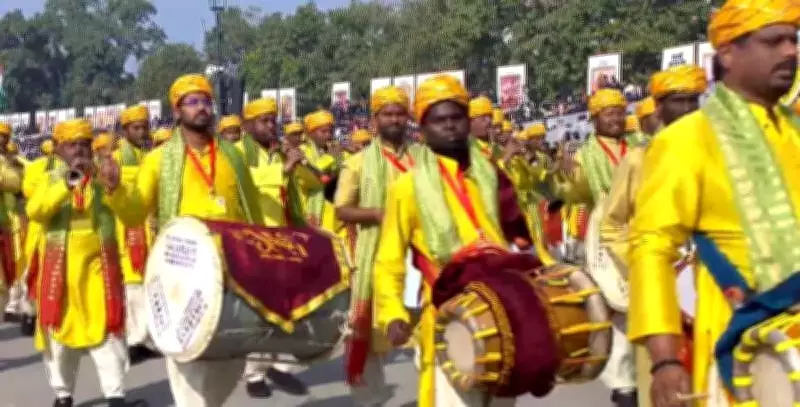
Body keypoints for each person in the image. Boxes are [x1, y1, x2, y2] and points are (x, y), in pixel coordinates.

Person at [627, 2, 800, 406]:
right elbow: (651, 248)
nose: (790, 51)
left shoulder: (793, 132)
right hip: (740, 343)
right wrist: (665, 360)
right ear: (728, 53)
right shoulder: (686, 140)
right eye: (773, 41)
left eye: (794, 40)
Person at [373, 75, 532, 407]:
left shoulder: (492, 175)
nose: (450, 127)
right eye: (439, 120)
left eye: (456, 118)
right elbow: (388, 259)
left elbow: (521, 236)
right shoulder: (407, 187)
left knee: (503, 400)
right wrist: (392, 313)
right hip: (448, 311)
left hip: (501, 305)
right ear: (423, 129)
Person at [117, 74, 265, 407]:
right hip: (182, 274)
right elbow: (133, 213)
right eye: (192, 102)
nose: (201, 108)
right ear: (177, 110)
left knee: (229, 361)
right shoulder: (158, 160)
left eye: (205, 101)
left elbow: (253, 212)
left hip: (231, 272)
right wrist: (114, 191)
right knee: (187, 359)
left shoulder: (233, 156)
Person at [599, 64, 707, 407]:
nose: (688, 110)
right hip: (660, 286)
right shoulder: (637, 160)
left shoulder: (718, 150)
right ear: (659, 108)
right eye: (678, 101)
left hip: (713, 290)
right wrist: (644, 264)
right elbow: (613, 224)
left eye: (694, 100)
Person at [27, 119, 141, 407]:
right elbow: (36, 211)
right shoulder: (49, 178)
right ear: (58, 150)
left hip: (99, 269)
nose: (79, 151)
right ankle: (63, 394)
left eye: (84, 144)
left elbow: (131, 217)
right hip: (60, 271)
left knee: (108, 334)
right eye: (71, 145)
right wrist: (66, 184)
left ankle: (115, 395)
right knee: (59, 338)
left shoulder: (106, 177)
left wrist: (115, 189)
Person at [336, 85, 422, 406]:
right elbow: (341, 209)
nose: (395, 119)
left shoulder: (423, 158)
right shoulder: (357, 163)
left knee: (428, 328)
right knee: (369, 337)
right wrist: (376, 213)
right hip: (374, 257)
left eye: (400, 113)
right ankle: (369, 401)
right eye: (387, 114)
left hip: (418, 257)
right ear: (375, 120)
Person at [236, 97, 316, 398]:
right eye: (263, 121)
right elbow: (244, 182)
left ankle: (280, 368)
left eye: (273, 121)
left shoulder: (279, 152)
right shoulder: (239, 153)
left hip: (287, 239)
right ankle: (254, 375)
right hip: (255, 242)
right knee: (261, 312)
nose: (271, 126)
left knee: (294, 307)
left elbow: (314, 183)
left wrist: (298, 161)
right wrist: (282, 171)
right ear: (248, 125)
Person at [113, 105, 158, 365]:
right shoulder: (117, 157)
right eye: (136, 128)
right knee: (132, 286)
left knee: (148, 283)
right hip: (127, 226)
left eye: (144, 127)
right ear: (125, 130)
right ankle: (133, 341)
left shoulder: (150, 155)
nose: (142, 132)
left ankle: (144, 338)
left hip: (150, 225)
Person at [0, 122, 24, 323]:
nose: (1, 140)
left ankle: (12, 305)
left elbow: (16, 184)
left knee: (14, 267)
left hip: (9, 222)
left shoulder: (14, 163)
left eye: (4, 137)